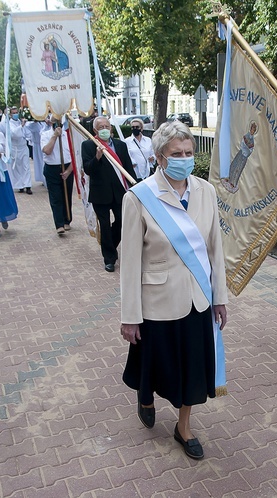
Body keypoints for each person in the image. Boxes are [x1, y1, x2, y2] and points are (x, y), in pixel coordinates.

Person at [120, 120, 228, 460]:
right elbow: (131, 264)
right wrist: (130, 317)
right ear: (160, 157)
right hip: (158, 300)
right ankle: (145, 394)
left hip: (198, 299)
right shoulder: (139, 198)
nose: (184, 158)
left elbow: (215, 250)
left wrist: (220, 297)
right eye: (176, 153)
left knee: (193, 368)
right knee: (155, 366)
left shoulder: (206, 191)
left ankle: (184, 427)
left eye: (189, 152)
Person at [81, 116, 136, 272]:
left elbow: (127, 168)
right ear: (95, 130)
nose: (104, 129)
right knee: (104, 226)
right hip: (100, 193)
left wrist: (135, 185)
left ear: (111, 128)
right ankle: (109, 258)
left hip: (119, 192)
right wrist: (97, 156)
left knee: (121, 222)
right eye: (101, 127)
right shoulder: (89, 145)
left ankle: (110, 244)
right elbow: (88, 169)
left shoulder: (120, 145)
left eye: (107, 126)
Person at [41, 116, 74, 235]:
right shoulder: (45, 134)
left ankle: (67, 220)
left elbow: (75, 155)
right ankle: (59, 224)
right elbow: (47, 150)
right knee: (56, 197)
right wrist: (54, 136)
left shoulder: (68, 136)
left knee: (67, 195)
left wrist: (69, 171)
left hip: (67, 167)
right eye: (55, 122)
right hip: (52, 168)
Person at [0, 106, 32, 195]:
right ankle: (20, 185)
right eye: (13, 113)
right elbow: (13, 134)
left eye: (16, 112)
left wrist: (25, 131)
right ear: (10, 114)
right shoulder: (9, 124)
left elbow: (27, 133)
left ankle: (28, 185)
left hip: (23, 147)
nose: (15, 114)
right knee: (16, 167)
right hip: (15, 148)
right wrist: (21, 126)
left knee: (26, 166)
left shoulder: (22, 122)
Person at [124, 118, 155, 182]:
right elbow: (125, 155)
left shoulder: (148, 140)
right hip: (135, 172)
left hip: (147, 171)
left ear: (141, 128)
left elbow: (153, 152)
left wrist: (153, 157)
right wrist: (131, 162)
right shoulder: (127, 141)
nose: (135, 129)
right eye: (133, 127)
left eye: (137, 127)